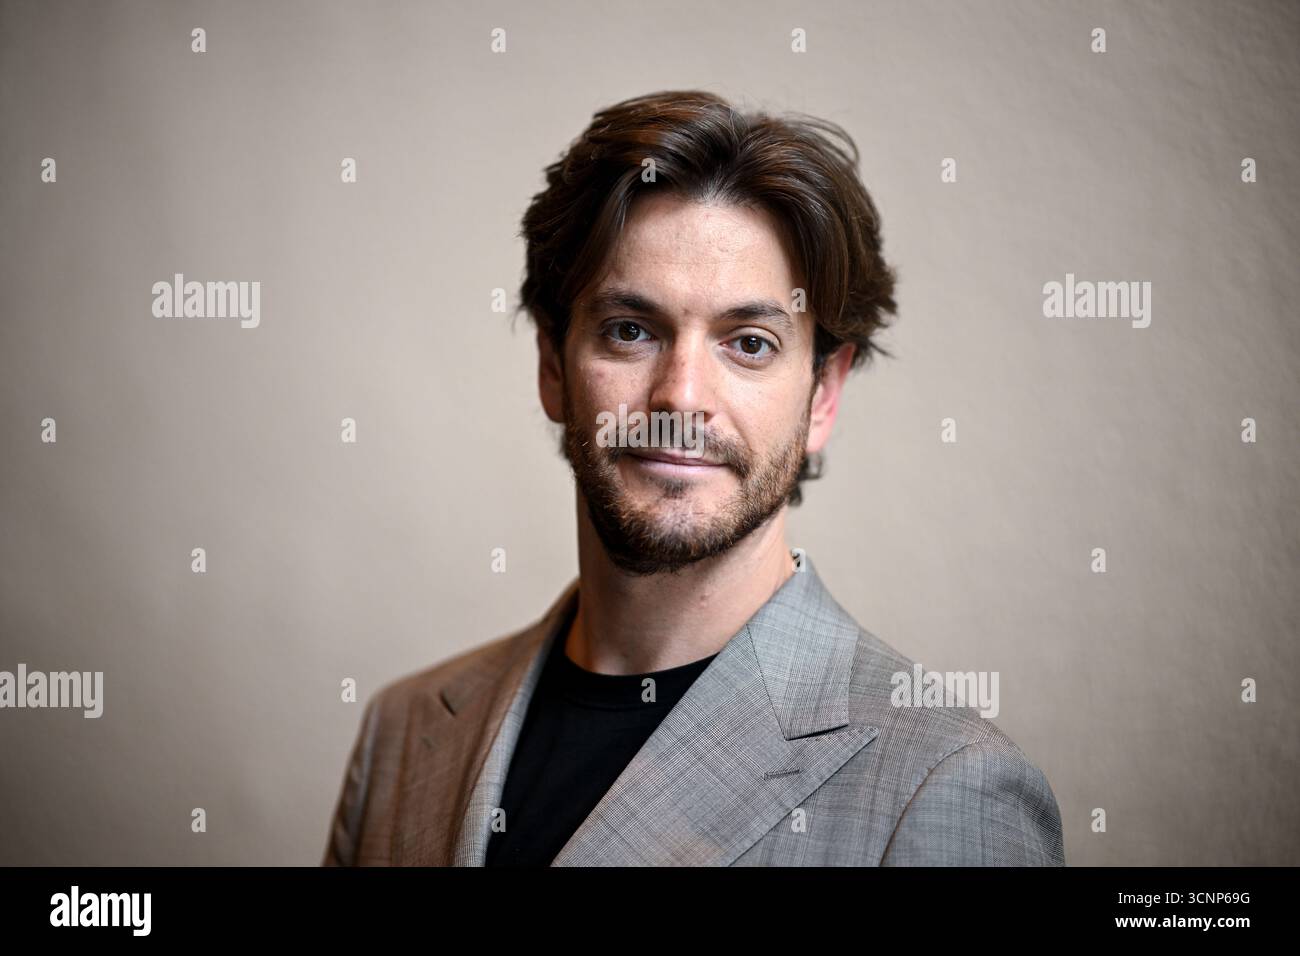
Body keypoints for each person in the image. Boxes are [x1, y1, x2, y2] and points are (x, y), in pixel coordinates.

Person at [321, 89, 1065, 866]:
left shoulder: (945, 786)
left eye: (748, 343)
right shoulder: (401, 731)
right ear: (552, 365)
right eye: (630, 331)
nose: (680, 395)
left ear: (823, 394)